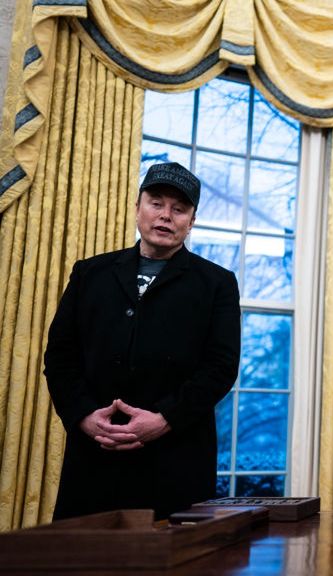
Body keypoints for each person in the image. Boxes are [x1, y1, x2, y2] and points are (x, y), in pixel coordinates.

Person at [44, 162, 241, 520]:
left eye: (179, 209)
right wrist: (84, 415)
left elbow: (221, 367)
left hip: (176, 462)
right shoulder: (90, 273)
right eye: (156, 203)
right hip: (93, 458)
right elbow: (60, 355)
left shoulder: (217, 283)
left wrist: (164, 419)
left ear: (191, 221)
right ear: (137, 208)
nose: (166, 216)